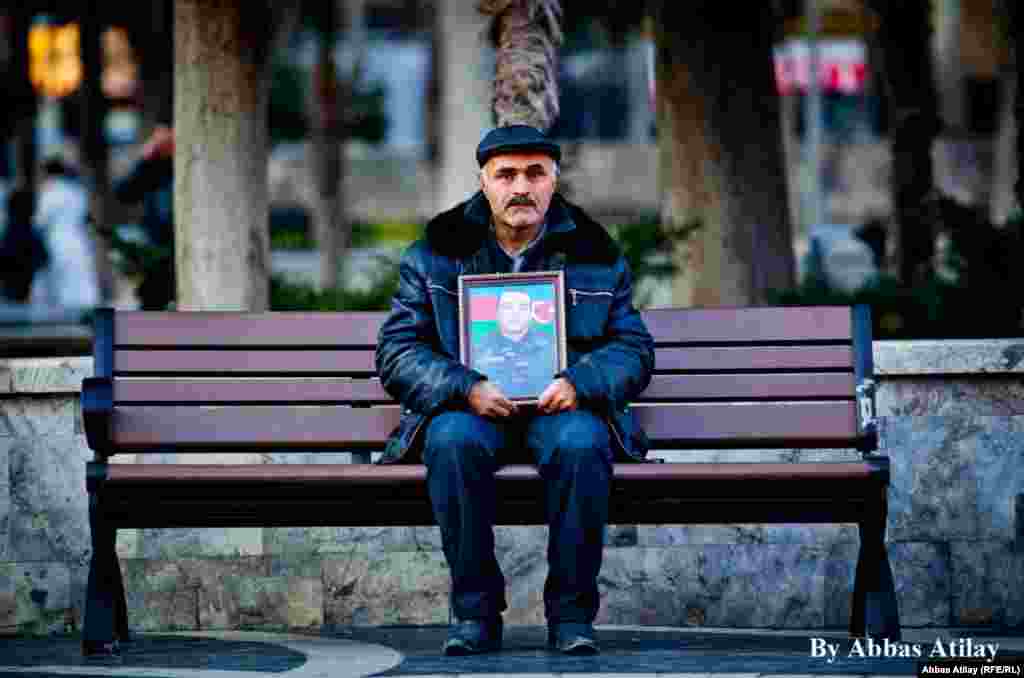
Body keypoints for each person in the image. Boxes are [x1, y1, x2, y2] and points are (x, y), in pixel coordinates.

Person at [375, 125, 654, 656]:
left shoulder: (594, 248)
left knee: (582, 444)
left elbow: (634, 348)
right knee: (449, 442)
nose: (521, 186)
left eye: (535, 173)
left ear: (553, 181)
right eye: (506, 174)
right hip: (473, 409)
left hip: (561, 409)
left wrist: (582, 381)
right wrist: (465, 385)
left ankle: (572, 617)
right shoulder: (436, 249)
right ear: (484, 181)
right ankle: (475, 614)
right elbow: (397, 352)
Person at [30, 157, 99, 309]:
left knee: (60, 279)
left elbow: (40, 221)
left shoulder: (50, 192)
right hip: (79, 239)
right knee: (80, 277)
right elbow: (85, 216)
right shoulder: (77, 191)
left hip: (56, 240)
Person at [472, 289, 557, 400]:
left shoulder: (552, 347)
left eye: (522, 307)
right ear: (497, 313)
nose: (515, 313)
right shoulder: (478, 349)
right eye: (507, 307)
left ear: (531, 314)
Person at [0, 189, 48, 303]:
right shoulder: (30, 232)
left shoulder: (9, 232)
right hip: (25, 289)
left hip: (11, 289)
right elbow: (44, 259)